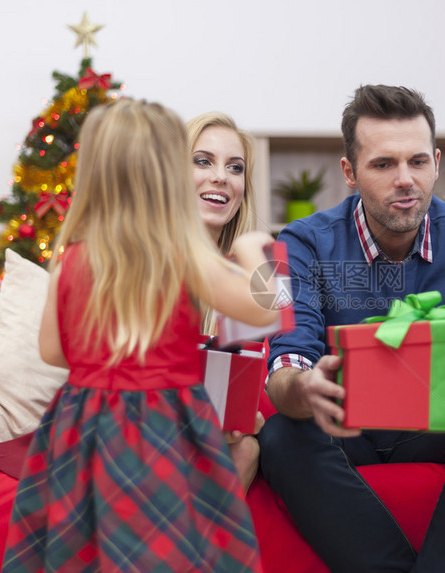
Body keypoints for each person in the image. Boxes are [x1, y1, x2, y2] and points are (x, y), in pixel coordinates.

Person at [258, 84, 445, 572]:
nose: (405, 179)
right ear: (350, 173)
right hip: (344, 428)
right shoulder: (299, 241)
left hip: (436, 426)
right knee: (280, 435)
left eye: (417, 162)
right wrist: (303, 386)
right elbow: (287, 359)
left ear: (437, 163)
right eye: (383, 164)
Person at [1, 99, 277, 572]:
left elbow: (52, 351)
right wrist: (257, 250)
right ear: (168, 177)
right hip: (162, 427)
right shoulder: (188, 257)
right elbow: (268, 311)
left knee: (83, 551)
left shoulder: (71, 261)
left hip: (82, 429)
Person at [186, 111, 263, 493]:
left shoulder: (250, 271)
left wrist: (245, 420)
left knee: (247, 447)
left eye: (235, 168)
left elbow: (252, 388)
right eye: (203, 161)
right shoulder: (142, 260)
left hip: (211, 439)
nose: (221, 177)